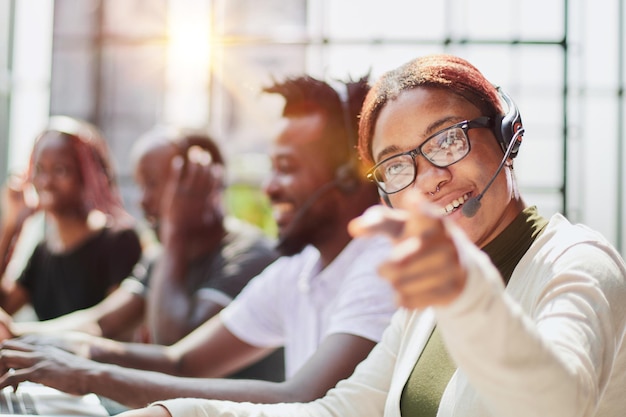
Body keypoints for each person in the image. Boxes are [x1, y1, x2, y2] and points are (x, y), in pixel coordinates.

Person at [117, 54, 626, 417]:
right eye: (397, 165)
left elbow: (556, 404)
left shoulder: (579, 264)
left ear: (506, 133)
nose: (429, 177)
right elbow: (342, 409)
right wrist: (179, 413)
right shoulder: (425, 303)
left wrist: (464, 292)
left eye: (448, 140)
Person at [0, 75, 398, 408]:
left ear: (351, 176)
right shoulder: (299, 269)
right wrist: (28, 345)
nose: (269, 186)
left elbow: (305, 398)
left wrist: (84, 374)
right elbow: (181, 361)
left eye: (287, 169)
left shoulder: (380, 263)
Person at [0, 128, 281, 357]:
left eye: (153, 184)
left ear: (202, 181)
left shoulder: (248, 256)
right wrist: (14, 334)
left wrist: (175, 232)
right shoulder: (160, 257)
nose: (142, 200)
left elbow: (174, 342)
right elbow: (101, 322)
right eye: (140, 185)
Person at [0, 116, 142, 321]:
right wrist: (12, 224)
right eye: (39, 170)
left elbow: (109, 325)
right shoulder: (43, 252)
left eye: (60, 170)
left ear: (88, 175)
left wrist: (27, 335)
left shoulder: (119, 241)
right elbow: (5, 308)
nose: (46, 182)